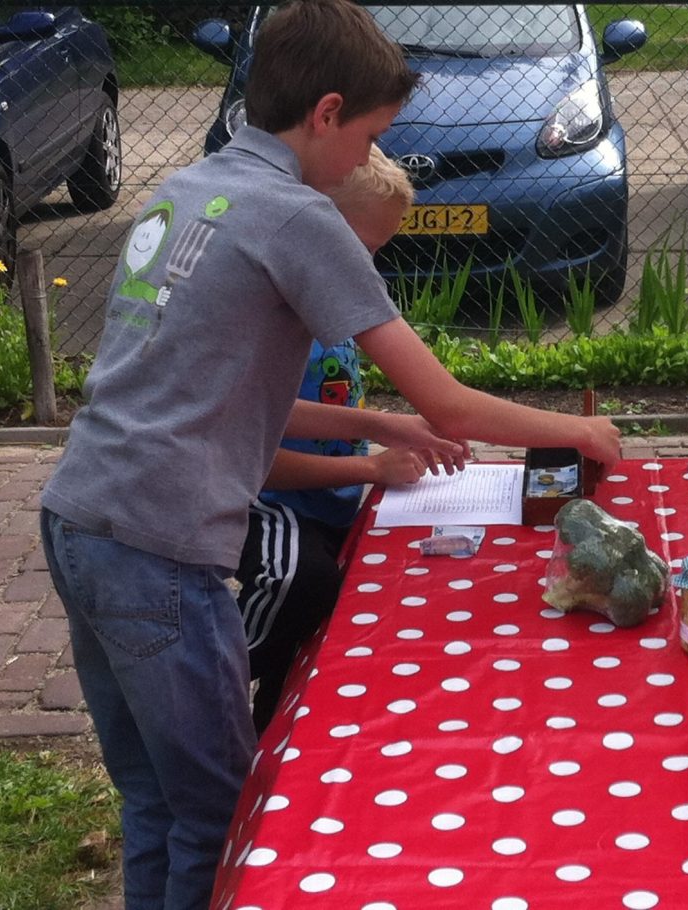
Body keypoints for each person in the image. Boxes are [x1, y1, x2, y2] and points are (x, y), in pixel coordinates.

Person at [37, 0, 621, 906]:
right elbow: (446, 399)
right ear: (326, 113)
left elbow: (204, 391)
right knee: (222, 815)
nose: (372, 158)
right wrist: (575, 431)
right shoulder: (301, 215)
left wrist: (378, 426)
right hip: (160, 547)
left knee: (155, 799)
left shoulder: (188, 188)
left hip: (81, 518)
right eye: (372, 136)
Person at [236, 146, 438, 735]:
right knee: (299, 580)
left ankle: (284, 713)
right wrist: (373, 461)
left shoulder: (330, 309)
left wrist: (380, 430)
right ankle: (214, 676)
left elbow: (330, 406)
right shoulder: (279, 315)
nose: (370, 267)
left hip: (333, 496)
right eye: (364, 248)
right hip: (274, 502)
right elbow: (267, 435)